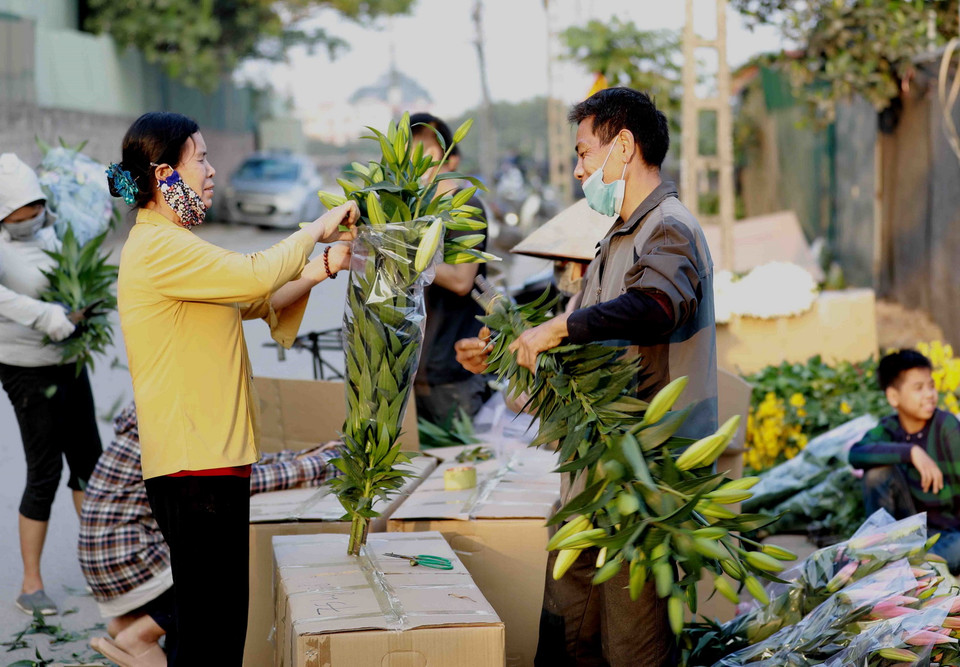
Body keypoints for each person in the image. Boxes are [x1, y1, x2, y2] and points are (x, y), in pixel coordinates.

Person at [455, 87, 717, 666]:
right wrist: (508, 351)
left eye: (583, 154)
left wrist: (559, 331)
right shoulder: (613, 237)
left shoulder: (668, 228)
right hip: (593, 482)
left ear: (623, 147)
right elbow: (591, 345)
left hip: (643, 488)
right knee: (569, 636)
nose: (578, 171)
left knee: (632, 647)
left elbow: (657, 305)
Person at [111, 111, 358, 665]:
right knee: (210, 633)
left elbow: (253, 301)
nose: (212, 171)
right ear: (164, 175)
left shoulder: (173, 244)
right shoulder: (158, 247)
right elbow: (253, 274)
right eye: (201, 158)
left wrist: (320, 267)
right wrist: (314, 228)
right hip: (195, 464)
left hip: (210, 459)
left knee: (216, 624)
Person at [79, 401, 342, 666]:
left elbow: (244, 463)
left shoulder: (155, 419)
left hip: (112, 562)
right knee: (211, 589)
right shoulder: (173, 435)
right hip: (130, 562)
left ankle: (132, 623)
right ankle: (139, 633)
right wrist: (320, 465)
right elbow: (237, 482)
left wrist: (312, 455)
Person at [0, 152, 103, 616]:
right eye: (18, 219)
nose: (29, 223)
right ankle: (30, 584)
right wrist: (45, 315)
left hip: (69, 359)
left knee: (89, 466)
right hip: (24, 366)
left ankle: (105, 571)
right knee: (45, 471)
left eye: (35, 212)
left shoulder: (59, 227)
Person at [408, 112, 491, 426]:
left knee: (460, 468)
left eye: (421, 150)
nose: (412, 161)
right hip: (415, 369)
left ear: (444, 156)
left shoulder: (465, 206)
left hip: (452, 373)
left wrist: (404, 253)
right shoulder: (414, 211)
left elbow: (461, 279)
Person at [848, 349, 960, 572]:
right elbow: (857, 454)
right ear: (893, 397)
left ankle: (896, 565)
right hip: (903, 535)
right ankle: (889, 556)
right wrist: (911, 452)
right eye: (919, 388)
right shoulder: (889, 429)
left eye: (931, 385)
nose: (929, 394)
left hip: (947, 535)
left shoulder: (946, 426)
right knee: (876, 473)